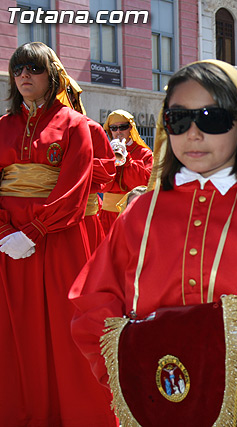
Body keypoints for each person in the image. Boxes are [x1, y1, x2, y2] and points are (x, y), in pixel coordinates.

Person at [70, 60, 237, 427]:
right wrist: (129, 364)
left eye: (211, 118)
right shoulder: (141, 213)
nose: (194, 133)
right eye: (179, 120)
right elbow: (92, 303)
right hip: (150, 406)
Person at [0, 42, 115, 425]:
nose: (23, 76)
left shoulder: (75, 125)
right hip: (7, 244)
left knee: (69, 333)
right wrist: (5, 232)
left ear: (52, 75)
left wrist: (33, 231)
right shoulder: (1, 128)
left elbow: (74, 186)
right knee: (14, 334)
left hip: (60, 239)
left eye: (33, 69)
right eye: (18, 69)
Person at [61, 75, 116, 252]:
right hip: (36, 218)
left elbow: (107, 174)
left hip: (83, 218)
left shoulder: (91, 128)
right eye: (115, 128)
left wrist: (75, 163)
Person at [100, 109, 154, 233]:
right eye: (113, 128)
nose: (118, 132)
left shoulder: (144, 153)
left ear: (130, 128)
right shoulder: (106, 152)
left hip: (132, 213)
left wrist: (127, 159)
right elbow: (102, 185)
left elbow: (142, 184)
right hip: (107, 214)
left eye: (122, 127)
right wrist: (109, 159)